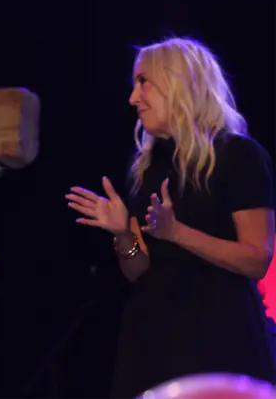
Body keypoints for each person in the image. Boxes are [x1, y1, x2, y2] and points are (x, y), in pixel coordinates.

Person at [66, 37, 275, 397]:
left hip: (220, 335)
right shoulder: (147, 167)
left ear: (178, 83)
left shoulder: (238, 156)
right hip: (153, 338)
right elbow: (137, 270)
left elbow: (257, 259)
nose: (133, 98)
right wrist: (122, 234)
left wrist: (177, 233)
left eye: (143, 82)